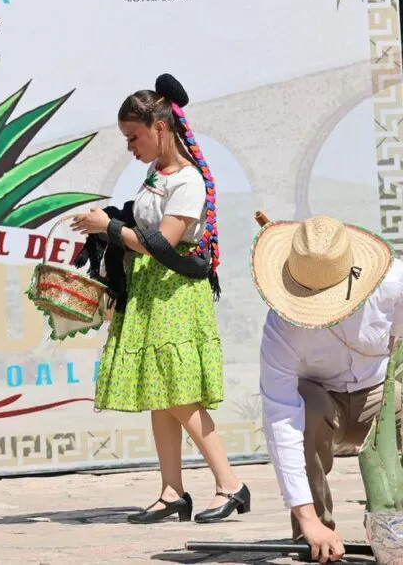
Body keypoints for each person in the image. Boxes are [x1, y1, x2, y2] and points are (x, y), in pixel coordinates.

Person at [71, 74, 248, 524]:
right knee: (159, 390)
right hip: (151, 289)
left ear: (160, 129)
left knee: (179, 392)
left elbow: (163, 244)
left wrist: (107, 228)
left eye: (134, 137)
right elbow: (143, 227)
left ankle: (231, 484)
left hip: (174, 291)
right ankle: (172, 491)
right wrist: (112, 222)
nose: (131, 147)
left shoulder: (187, 181)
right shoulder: (157, 174)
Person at [253, 214, 402, 564]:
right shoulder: (281, 330)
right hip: (323, 402)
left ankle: (394, 524)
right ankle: (319, 532)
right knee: (308, 407)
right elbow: (282, 422)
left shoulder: (393, 281)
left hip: (379, 393)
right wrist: (307, 519)